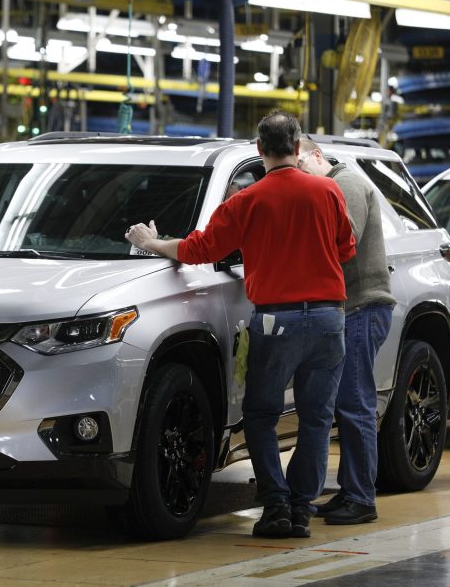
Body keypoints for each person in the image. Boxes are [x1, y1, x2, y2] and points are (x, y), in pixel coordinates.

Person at [125, 110, 355, 539]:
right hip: (328, 319)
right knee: (317, 418)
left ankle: (276, 507)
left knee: (261, 414)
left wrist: (150, 242)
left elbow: (200, 249)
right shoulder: (328, 191)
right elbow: (346, 248)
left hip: (276, 321)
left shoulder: (246, 202)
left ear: (259, 149)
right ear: (298, 146)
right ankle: (302, 509)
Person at [297, 137, 396, 524]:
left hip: (362, 308)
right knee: (345, 404)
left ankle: (361, 498)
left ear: (317, 155)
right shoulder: (330, 186)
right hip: (349, 309)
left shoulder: (346, 184)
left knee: (355, 405)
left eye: (302, 168)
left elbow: (343, 241)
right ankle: (350, 490)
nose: (300, 178)